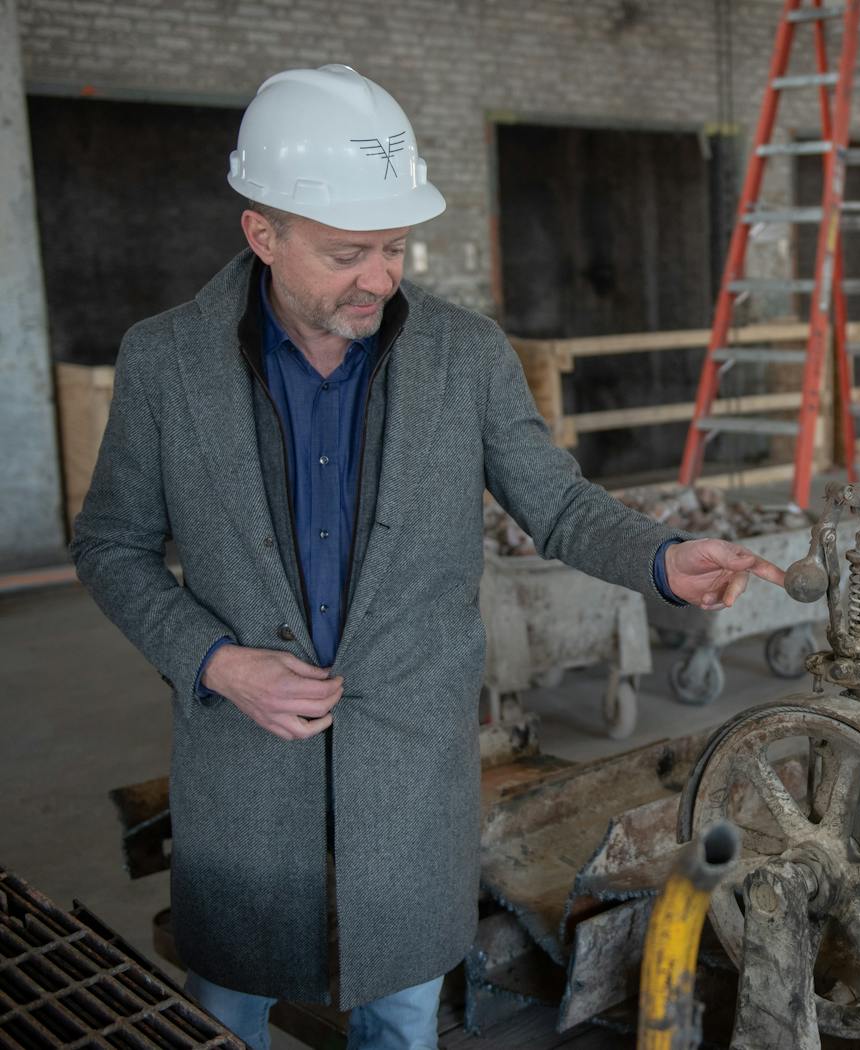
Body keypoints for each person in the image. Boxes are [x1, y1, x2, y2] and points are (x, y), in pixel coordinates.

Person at [70, 64, 785, 1050]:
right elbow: (111, 545)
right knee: (224, 1016)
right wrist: (217, 662)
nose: (380, 276)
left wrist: (664, 559)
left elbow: (558, 504)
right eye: (346, 252)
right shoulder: (166, 361)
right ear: (262, 233)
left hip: (407, 763)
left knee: (401, 1019)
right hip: (240, 772)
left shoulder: (466, 354)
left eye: (395, 246)